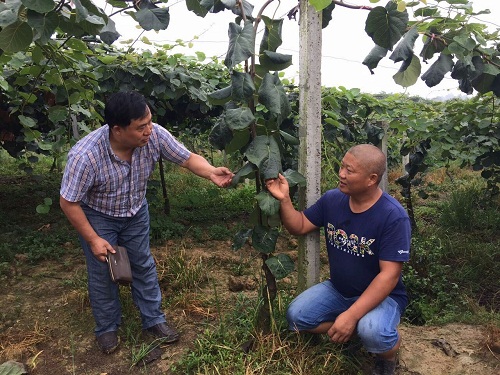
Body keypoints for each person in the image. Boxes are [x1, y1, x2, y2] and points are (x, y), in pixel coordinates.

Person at [60, 91, 234, 354]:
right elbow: (68, 202)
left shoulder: (155, 135)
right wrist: (94, 239)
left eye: (150, 122)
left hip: (135, 212)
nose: (149, 130)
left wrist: (211, 172)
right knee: (104, 272)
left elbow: (186, 159)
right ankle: (107, 328)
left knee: (142, 263)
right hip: (98, 215)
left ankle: (153, 320)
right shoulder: (86, 156)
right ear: (117, 130)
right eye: (141, 127)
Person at [266, 144, 411, 375]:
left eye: (349, 170)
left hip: (384, 297)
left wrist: (351, 315)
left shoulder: (393, 217)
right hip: (339, 290)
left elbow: (389, 275)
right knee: (297, 317)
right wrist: (284, 199)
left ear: (371, 179)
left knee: (374, 331)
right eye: (342, 166)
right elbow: (300, 225)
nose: (341, 174)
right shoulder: (333, 200)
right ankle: (356, 330)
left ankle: (388, 352)